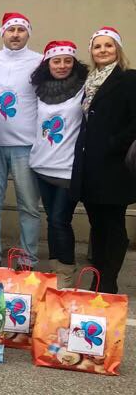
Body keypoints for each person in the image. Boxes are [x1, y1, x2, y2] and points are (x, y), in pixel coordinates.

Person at [71, 27, 136, 294]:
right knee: (97, 223)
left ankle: (109, 280)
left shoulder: (128, 79)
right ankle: (98, 274)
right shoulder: (90, 80)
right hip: (91, 166)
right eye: (98, 47)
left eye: (108, 45)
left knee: (114, 223)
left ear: (117, 49)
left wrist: (113, 144)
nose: (103, 51)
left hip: (114, 165)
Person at [0, 12, 44, 266]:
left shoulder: (40, 61)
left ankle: (28, 259)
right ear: (2, 33)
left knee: (28, 205)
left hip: (25, 145)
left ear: (28, 33)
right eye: (10, 30)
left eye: (21, 29)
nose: (15, 34)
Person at [30, 40, 87, 287]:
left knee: (59, 220)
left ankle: (65, 273)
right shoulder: (39, 90)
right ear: (47, 63)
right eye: (57, 61)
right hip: (42, 165)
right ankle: (55, 270)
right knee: (51, 220)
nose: (62, 66)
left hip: (69, 168)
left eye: (68, 61)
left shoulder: (85, 88)